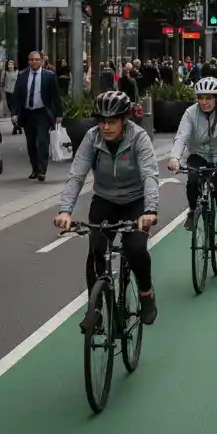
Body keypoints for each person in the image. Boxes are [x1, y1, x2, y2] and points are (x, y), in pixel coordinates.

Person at [53, 91, 159, 327]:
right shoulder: (92, 138)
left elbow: (150, 175)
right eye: (102, 121)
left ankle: (146, 293)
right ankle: (96, 310)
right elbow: (77, 175)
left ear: (124, 120)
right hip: (104, 200)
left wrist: (150, 210)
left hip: (135, 202)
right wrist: (65, 211)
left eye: (112, 122)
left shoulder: (139, 138)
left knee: (136, 249)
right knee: (96, 252)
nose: (106, 127)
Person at [167, 77, 217, 265]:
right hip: (199, 155)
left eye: (209, 98)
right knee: (192, 179)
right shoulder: (190, 113)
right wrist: (175, 157)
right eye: (201, 98)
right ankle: (193, 211)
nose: (205, 102)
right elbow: (182, 136)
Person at [10, 51, 64, 182]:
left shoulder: (49, 76)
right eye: (32, 60)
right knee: (31, 143)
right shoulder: (22, 75)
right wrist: (14, 113)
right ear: (28, 61)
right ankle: (34, 168)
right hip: (27, 113)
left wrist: (59, 113)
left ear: (41, 61)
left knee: (42, 140)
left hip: (42, 113)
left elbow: (56, 96)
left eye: (37, 60)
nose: (34, 62)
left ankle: (42, 169)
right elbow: (16, 96)